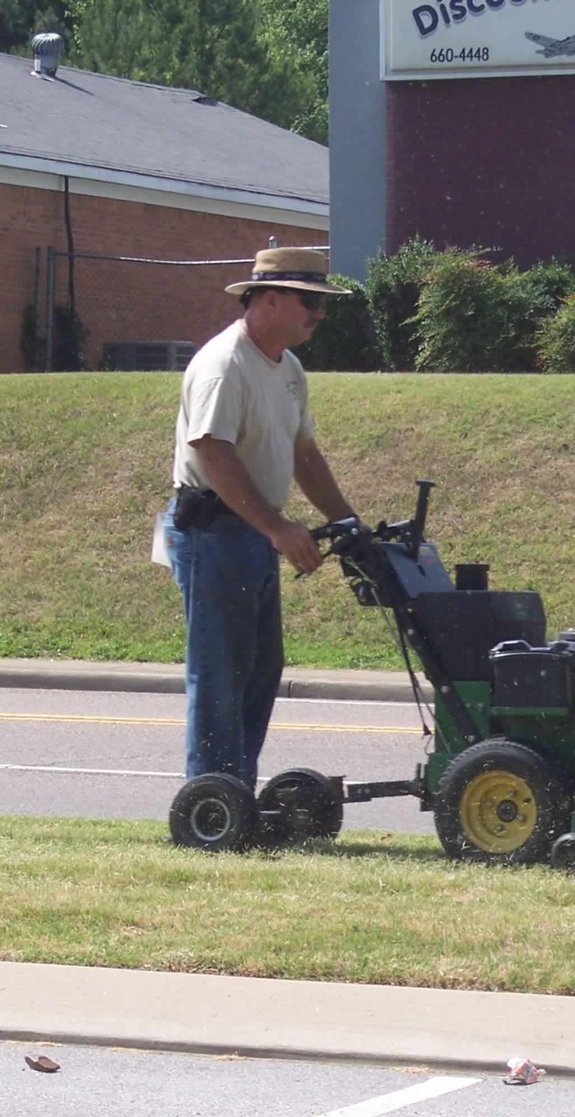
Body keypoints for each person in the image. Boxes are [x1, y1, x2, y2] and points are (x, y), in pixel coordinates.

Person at [164, 247, 357, 787]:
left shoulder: (288, 366)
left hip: (251, 533)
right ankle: (213, 797)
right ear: (269, 300)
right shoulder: (225, 365)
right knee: (223, 671)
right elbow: (211, 450)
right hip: (215, 532)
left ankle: (236, 787)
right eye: (309, 302)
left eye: (322, 303)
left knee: (258, 668)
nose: (319, 314)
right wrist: (276, 527)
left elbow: (304, 454)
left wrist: (348, 522)